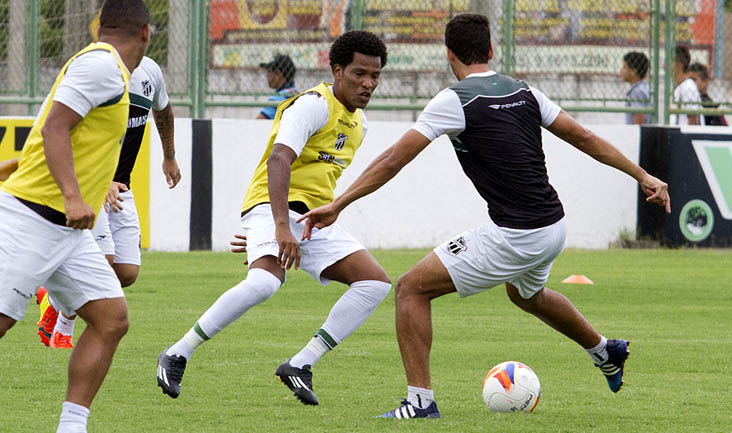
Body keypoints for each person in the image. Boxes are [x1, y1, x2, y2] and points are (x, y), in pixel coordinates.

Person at [298, 13, 671, 419]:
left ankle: (419, 403)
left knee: (410, 289)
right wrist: (642, 175)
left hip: (517, 234)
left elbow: (393, 160)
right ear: (491, 51)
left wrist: (340, 203)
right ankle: (605, 350)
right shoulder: (525, 91)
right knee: (526, 295)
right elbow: (583, 137)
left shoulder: (454, 99)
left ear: (449, 55)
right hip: (552, 226)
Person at [156, 30, 391, 406]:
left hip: (312, 219)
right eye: (359, 73)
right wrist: (278, 227)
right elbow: (279, 159)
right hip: (272, 206)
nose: (368, 83)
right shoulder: (313, 105)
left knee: (374, 283)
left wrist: (285, 229)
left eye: (375, 76)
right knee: (265, 283)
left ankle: (300, 364)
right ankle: (178, 352)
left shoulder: (359, 124)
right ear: (337, 70)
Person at [0, 1, 150, 432]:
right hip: (32, 218)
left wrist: (91, 185)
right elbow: (54, 127)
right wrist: (72, 196)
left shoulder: (110, 70)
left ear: (99, 25)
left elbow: (74, 135)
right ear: (145, 33)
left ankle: (72, 426)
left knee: (111, 320)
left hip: (66, 230)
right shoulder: (101, 66)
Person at [36, 16, 182, 349]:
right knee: (104, 264)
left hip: (121, 186)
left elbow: (165, 111)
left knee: (127, 272)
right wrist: (96, 181)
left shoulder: (150, 74)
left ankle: (53, 298)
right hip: (89, 182)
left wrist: (169, 156)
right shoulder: (93, 73)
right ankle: (61, 330)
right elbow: (60, 131)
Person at [256, 54, 298, 119]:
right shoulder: (296, 93)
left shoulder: (279, 97)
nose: (267, 75)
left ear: (278, 74)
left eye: (269, 72)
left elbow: (259, 121)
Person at [671, 45, 702, 125]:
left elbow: (693, 119)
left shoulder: (688, 87)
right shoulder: (679, 87)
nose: (664, 66)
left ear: (678, 65)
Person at [620, 51, 651, 125]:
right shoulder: (645, 87)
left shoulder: (636, 91)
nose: (621, 70)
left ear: (633, 71)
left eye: (624, 67)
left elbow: (639, 120)